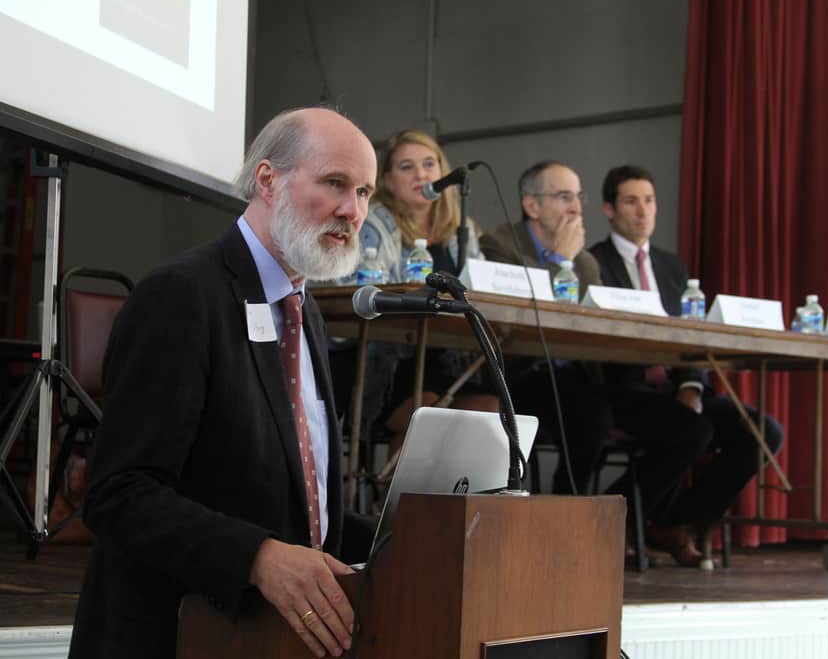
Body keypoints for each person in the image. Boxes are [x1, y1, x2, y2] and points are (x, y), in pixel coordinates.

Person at [69, 107, 375, 659]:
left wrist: (409, 539)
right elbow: (119, 494)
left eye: (364, 192)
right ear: (267, 180)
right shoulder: (183, 295)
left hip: (267, 637)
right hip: (173, 633)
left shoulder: (305, 310)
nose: (352, 210)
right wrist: (259, 557)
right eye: (334, 183)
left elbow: (296, 502)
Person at [480, 162, 715, 552]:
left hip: (582, 375)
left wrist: (572, 262)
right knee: (590, 416)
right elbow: (520, 319)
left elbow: (595, 325)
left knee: (688, 428)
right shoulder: (499, 245)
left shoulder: (585, 262)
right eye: (563, 196)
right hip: (522, 372)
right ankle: (563, 524)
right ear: (532, 206)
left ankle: (602, 520)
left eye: (577, 197)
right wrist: (562, 263)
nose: (575, 207)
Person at [589, 164, 785, 561]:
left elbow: (692, 332)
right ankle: (613, 518)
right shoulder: (593, 262)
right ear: (609, 209)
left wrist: (692, 385)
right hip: (624, 386)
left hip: (675, 386)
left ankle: (673, 522)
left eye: (649, 201)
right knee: (691, 432)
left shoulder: (671, 266)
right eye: (631, 201)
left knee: (761, 431)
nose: (643, 211)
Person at [334, 129, 497, 440]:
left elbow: (479, 291)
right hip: (391, 359)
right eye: (406, 167)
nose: (421, 174)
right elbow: (371, 292)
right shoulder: (374, 223)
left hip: (448, 357)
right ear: (387, 181)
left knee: (488, 407)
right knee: (429, 415)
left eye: (429, 164)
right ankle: (405, 490)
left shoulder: (463, 231)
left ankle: (460, 489)